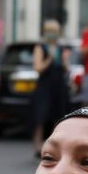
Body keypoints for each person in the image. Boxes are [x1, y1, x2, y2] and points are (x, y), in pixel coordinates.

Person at [30, 19, 71, 156]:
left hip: (58, 85)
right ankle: (38, 145)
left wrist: (65, 61)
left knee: (58, 116)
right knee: (40, 116)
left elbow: (66, 69)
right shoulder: (40, 47)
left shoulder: (61, 48)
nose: (52, 34)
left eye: (54, 31)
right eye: (49, 31)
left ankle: (54, 145)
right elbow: (38, 68)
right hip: (45, 86)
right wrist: (49, 59)